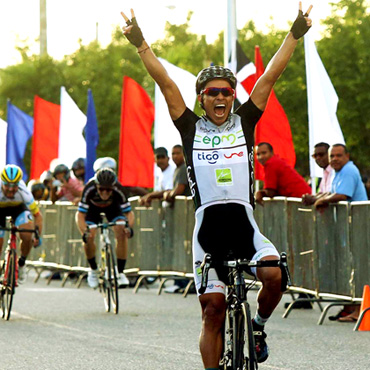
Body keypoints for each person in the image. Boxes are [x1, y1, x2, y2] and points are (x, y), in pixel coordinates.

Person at [121, 3, 312, 367]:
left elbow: (269, 77)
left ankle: (257, 327)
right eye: (212, 93)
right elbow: (165, 82)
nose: (221, 97)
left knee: (274, 274)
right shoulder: (190, 128)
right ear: (202, 98)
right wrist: (141, 43)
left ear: (232, 96)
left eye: (226, 92)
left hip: (244, 225)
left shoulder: (245, 121)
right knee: (213, 311)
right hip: (207, 230)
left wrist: (294, 34)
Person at [76, 168, 135, 288]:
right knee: (90, 235)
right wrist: (85, 232)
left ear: (113, 187)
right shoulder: (89, 188)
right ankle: (93, 270)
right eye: (101, 189)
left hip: (112, 208)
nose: (104, 193)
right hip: (93, 210)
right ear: (96, 186)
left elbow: (129, 213)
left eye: (108, 190)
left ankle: (120, 272)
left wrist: (128, 227)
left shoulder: (119, 189)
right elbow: (80, 214)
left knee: (121, 231)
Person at [0, 165, 43, 283]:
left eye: (14, 186)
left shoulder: (25, 193)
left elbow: (38, 215)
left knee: (27, 235)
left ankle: (22, 263)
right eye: (7, 185)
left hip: (18, 209)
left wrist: (37, 235)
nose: (10, 189)